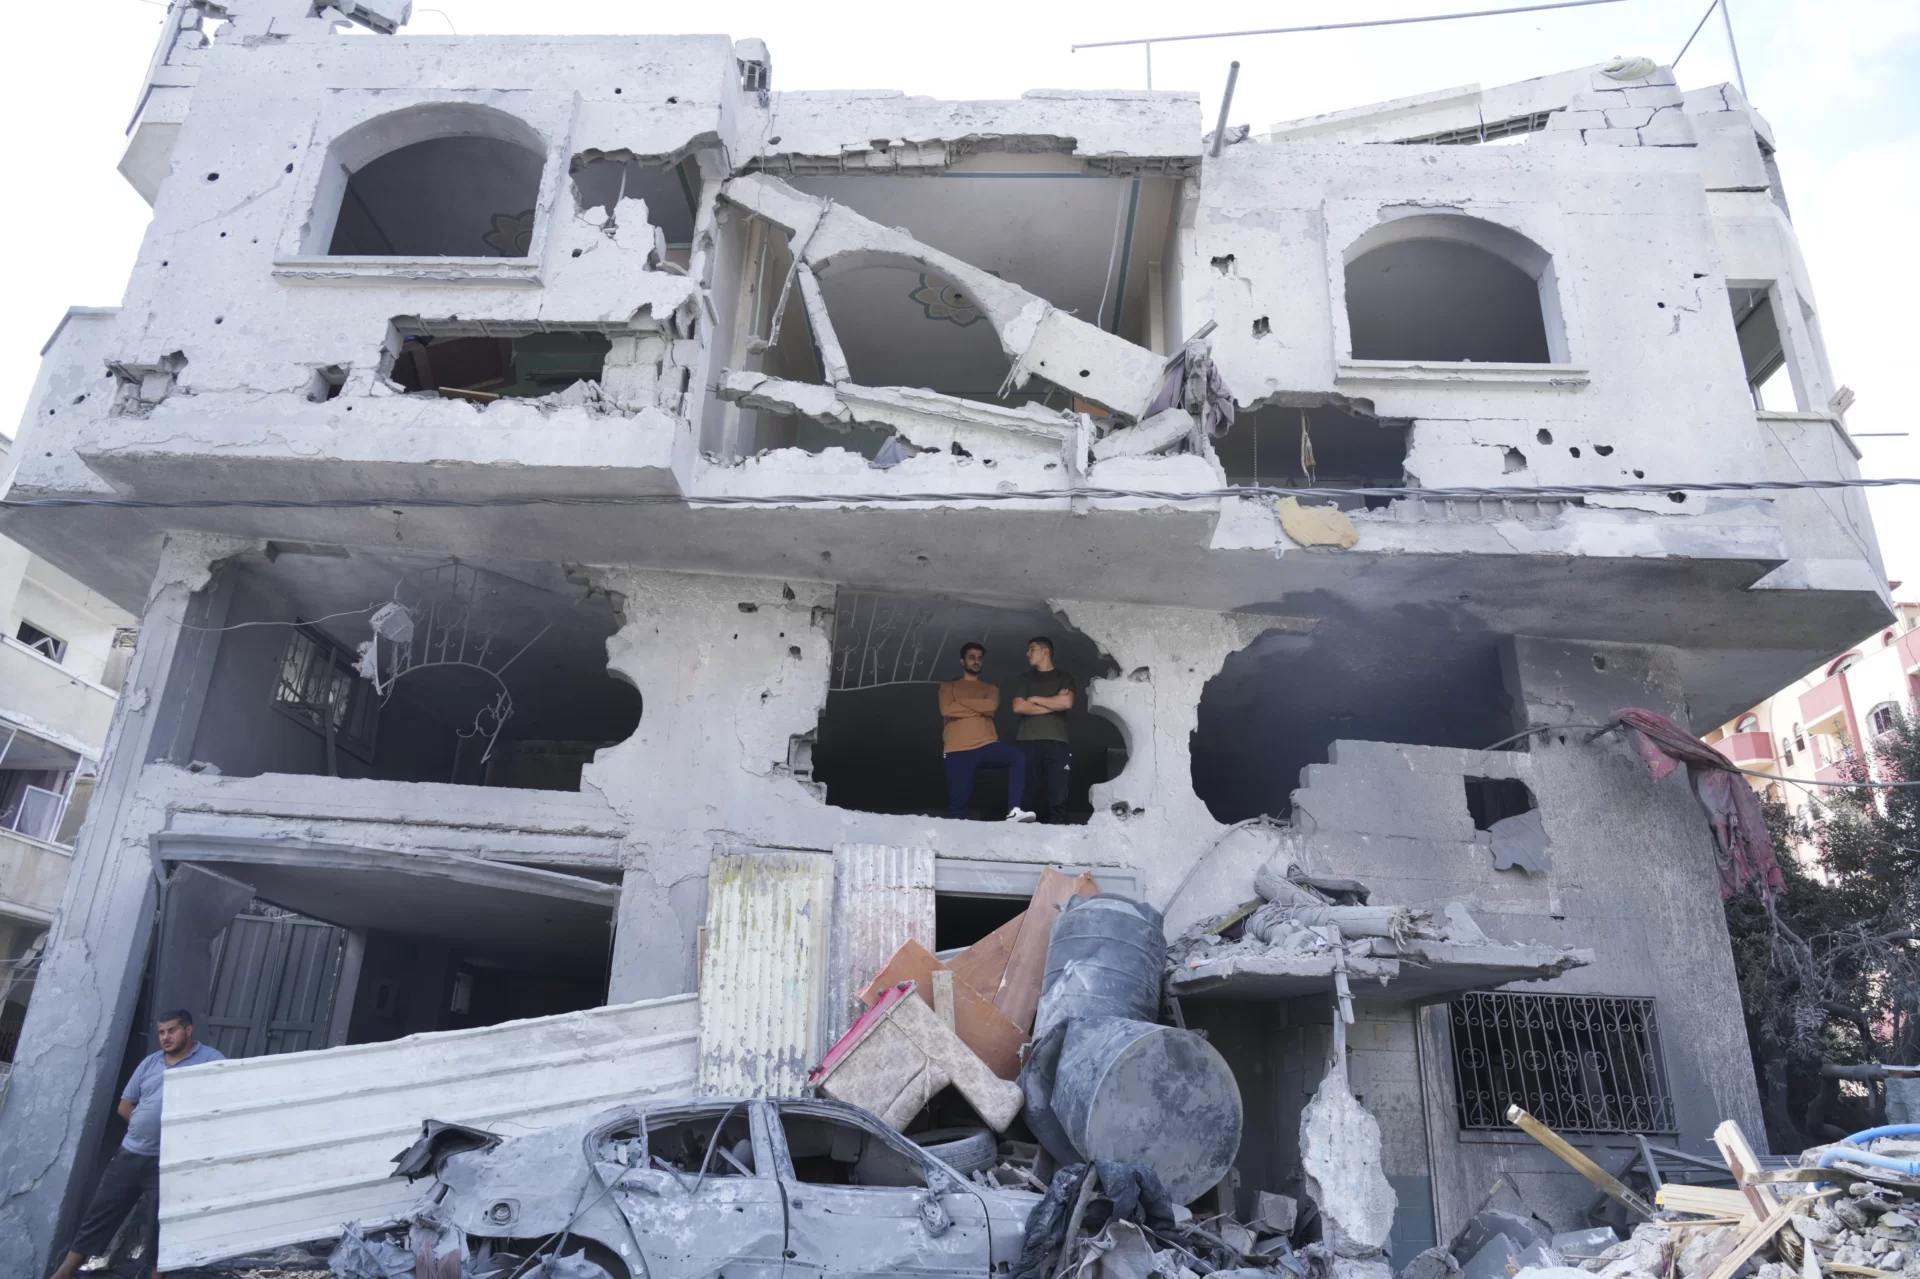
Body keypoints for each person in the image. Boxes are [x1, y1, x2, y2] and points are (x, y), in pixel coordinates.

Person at [51, 1009, 225, 1279]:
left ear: (188, 1030)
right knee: (99, 1215)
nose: (165, 1037)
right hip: (130, 1154)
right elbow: (125, 1106)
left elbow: (220, 1106)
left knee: (162, 1227)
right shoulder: (150, 1063)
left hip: (169, 1162)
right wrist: (142, 1128)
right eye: (161, 1032)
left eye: (172, 1031)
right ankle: (63, 1274)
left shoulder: (211, 1061)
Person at [938, 642, 1037, 822]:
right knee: (958, 811)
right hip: (957, 750)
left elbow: (990, 707)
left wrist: (960, 702)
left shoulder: (991, 689)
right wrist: (979, 707)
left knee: (1016, 757)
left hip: (987, 745)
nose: (976, 661)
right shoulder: (948, 687)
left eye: (979, 658)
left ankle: (1014, 811)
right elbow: (946, 710)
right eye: (971, 657)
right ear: (962, 661)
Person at [1012, 636, 1075, 824]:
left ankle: (1058, 840)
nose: (1027, 654)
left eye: (1032, 649)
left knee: (1058, 793)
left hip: (1058, 742)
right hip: (1027, 741)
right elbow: (1018, 707)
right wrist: (1053, 702)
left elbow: (1067, 702)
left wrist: (1033, 698)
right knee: (1027, 793)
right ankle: (1022, 841)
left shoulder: (1064, 677)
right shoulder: (1025, 678)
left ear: (1045, 650)